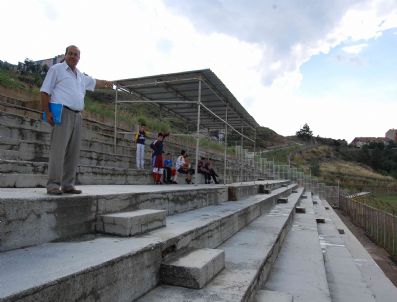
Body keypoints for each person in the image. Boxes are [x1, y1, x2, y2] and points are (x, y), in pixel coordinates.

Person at [41, 45, 113, 195]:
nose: (73, 56)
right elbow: (45, 91)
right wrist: (47, 112)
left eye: (76, 55)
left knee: (72, 153)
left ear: (79, 58)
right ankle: (53, 185)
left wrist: (106, 82)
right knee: (58, 151)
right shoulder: (56, 69)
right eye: (70, 54)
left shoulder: (80, 75)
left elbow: (93, 82)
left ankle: (68, 184)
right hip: (62, 113)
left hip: (77, 116)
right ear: (65, 54)